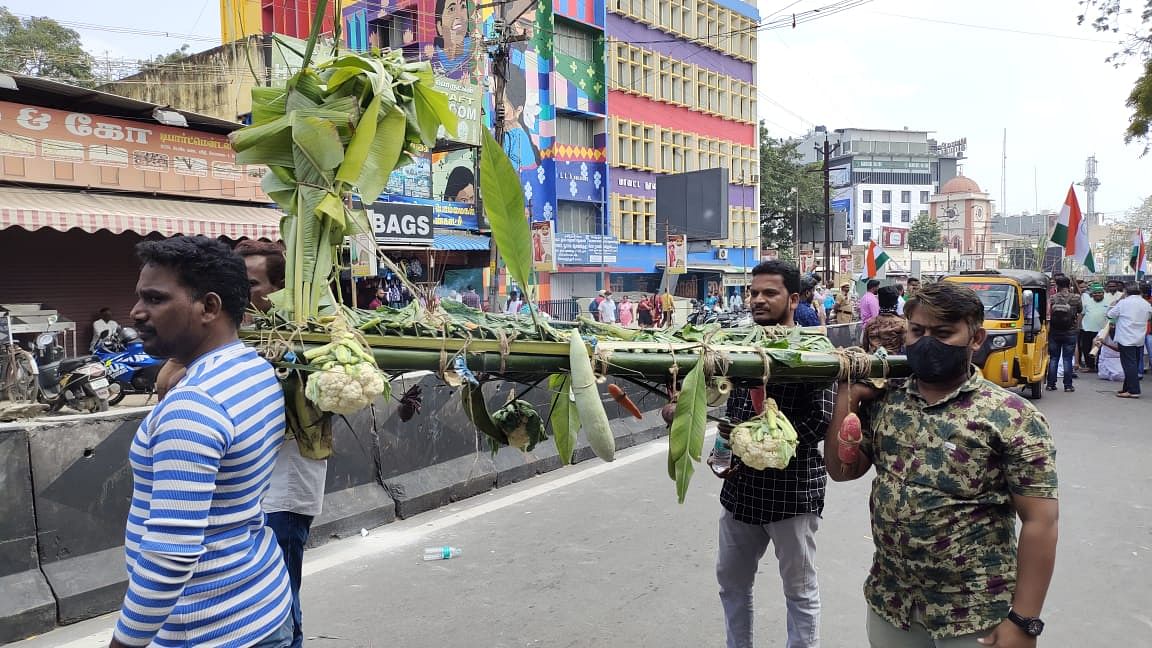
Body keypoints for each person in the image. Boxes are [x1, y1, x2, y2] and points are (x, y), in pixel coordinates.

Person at [825, 281, 1059, 648]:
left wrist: (1024, 621)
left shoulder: (1012, 416)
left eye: (944, 333)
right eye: (917, 331)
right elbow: (842, 471)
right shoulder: (887, 399)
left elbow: (1040, 520)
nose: (927, 341)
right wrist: (848, 399)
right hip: (893, 603)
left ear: (976, 339)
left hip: (974, 612)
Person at [112, 236, 291, 648]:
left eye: (155, 299)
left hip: (207, 628)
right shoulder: (254, 369)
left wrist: (125, 643)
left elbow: (170, 557)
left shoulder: (194, 406)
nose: (136, 313)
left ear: (209, 307)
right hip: (261, 604)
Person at [154, 239, 325, 648]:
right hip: (239, 499)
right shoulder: (222, 346)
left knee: (282, 599)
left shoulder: (311, 340)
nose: (241, 293)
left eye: (251, 284)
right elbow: (165, 385)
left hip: (284, 489)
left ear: (280, 290)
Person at [708, 260, 833, 648]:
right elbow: (732, 412)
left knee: (799, 590)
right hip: (739, 492)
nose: (758, 300)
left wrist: (765, 446)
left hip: (792, 493)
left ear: (793, 299)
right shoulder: (738, 345)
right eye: (754, 292)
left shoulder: (815, 349)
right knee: (731, 582)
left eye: (770, 293)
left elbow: (820, 420)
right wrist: (725, 452)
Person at [1107, 281, 1152, 398]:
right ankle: (1126, 388)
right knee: (1133, 364)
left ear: (1126, 291)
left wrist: (1118, 301)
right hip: (1139, 338)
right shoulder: (1145, 304)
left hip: (1126, 338)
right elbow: (1149, 317)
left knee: (1129, 365)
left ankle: (1133, 390)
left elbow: (1110, 315)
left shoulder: (1123, 303)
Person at [1046, 275, 1081, 392]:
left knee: (1054, 358)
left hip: (1055, 332)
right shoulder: (1075, 298)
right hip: (1070, 331)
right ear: (1069, 284)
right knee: (1067, 359)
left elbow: (1048, 312)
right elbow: (1080, 310)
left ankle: (1051, 384)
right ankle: (1068, 385)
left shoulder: (1052, 298)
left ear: (1057, 285)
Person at [863, 285, 907, 355]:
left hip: (875, 363)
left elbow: (864, 348)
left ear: (879, 303)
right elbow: (906, 347)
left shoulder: (870, 323)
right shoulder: (902, 324)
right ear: (896, 303)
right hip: (895, 363)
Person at [1078, 283, 1109, 372]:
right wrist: (1078, 326)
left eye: (1100, 292)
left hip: (1102, 330)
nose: (1098, 294)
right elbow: (1081, 314)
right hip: (1087, 329)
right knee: (1086, 348)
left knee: (1100, 350)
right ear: (1092, 294)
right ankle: (1090, 366)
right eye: (1095, 293)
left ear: (1103, 293)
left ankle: (1099, 367)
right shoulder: (1087, 302)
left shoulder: (1108, 302)